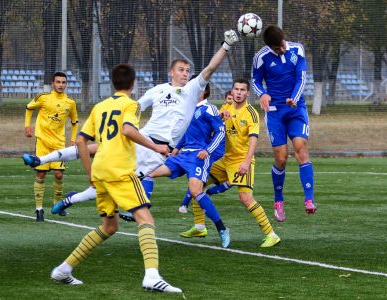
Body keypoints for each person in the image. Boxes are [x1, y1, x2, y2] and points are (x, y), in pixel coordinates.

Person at [22, 30, 241, 215]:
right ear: (171, 72)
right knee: (91, 149)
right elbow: (135, 106)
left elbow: (210, 68)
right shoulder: (158, 90)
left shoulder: (192, 90)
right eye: (181, 70)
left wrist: (226, 46)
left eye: (187, 71)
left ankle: (69, 201)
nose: (185, 74)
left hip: (158, 153)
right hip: (145, 140)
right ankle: (40, 158)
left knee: (110, 185)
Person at [50, 64, 182, 293]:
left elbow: (81, 140)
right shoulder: (131, 105)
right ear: (133, 84)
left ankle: (63, 269)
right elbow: (128, 130)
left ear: (113, 83)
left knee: (109, 226)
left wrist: (90, 172)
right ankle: (151, 276)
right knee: (146, 220)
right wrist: (156, 147)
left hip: (100, 170)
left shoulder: (100, 106)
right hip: (119, 171)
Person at [180, 79, 280, 248]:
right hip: (224, 160)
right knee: (197, 184)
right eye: (236, 89)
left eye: (242, 90)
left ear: (248, 93)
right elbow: (213, 126)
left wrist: (247, 162)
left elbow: (253, 139)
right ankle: (199, 226)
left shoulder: (251, 113)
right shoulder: (225, 108)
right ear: (232, 91)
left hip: (241, 161)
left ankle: (271, 234)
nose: (239, 92)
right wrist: (219, 117)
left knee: (246, 198)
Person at [144, 82, 230, 248]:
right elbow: (185, 132)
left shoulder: (209, 109)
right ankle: (143, 206)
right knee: (149, 172)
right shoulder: (187, 109)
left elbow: (220, 132)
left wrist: (208, 150)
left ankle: (222, 229)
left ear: (205, 92)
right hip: (183, 155)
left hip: (198, 156)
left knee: (195, 190)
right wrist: (176, 148)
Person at [252, 25, 316, 223]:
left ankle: (309, 199)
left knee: (301, 149)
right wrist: (262, 93)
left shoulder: (297, 49)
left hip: (296, 109)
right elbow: (255, 80)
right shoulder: (261, 57)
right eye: (278, 48)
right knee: (281, 158)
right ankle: (278, 201)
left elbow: (301, 78)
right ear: (270, 47)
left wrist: (294, 98)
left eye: (282, 45)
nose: (282, 49)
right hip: (275, 112)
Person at [24, 71, 78, 221]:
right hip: (42, 142)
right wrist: (27, 126)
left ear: (66, 84)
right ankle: (39, 209)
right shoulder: (43, 98)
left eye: (63, 82)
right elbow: (29, 108)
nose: (61, 85)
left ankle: (58, 205)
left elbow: (74, 123)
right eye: (58, 82)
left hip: (59, 144)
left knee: (58, 174)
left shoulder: (70, 103)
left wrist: (73, 140)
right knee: (41, 174)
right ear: (53, 83)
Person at [178, 90, 234, 214]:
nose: (231, 101)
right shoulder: (221, 108)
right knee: (199, 176)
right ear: (225, 99)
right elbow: (217, 125)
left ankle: (213, 192)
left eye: (232, 99)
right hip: (216, 148)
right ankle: (188, 205)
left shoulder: (234, 110)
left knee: (233, 180)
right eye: (229, 99)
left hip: (228, 150)